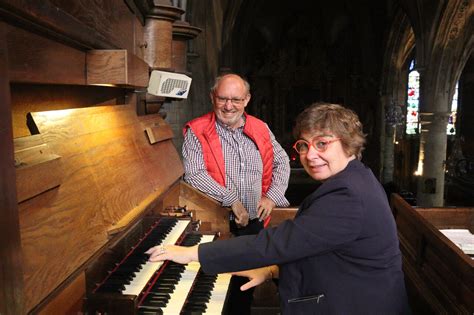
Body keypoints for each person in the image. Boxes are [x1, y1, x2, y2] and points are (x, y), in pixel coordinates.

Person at [149, 103, 411, 314]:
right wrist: (272, 270)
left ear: (349, 144)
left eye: (322, 143)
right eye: (304, 145)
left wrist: (191, 253)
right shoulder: (355, 178)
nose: (310, 154)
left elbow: (279, 242)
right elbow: (321, 249)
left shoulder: (349, 195)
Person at [181, 73, 291, 314]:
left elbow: (282, 163)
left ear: (247, 99)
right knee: (212, 293)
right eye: (222, 99)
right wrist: (231, 200)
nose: (228, 106)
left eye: (235, 99)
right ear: (212, 97)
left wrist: (272, 195)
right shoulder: (197, 131)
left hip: (253, 225)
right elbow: (195, 175)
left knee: (243, 294)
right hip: (215, 224)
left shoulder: (260, 128)